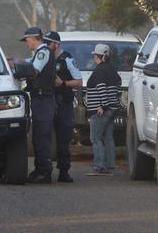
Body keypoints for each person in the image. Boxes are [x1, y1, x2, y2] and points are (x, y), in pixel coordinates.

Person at [10, 27, 57, 183]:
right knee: (38, 136)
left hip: (44, 100)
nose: (27, 43)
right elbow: (27, 62)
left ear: (34, 38)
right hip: (40, 100)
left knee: (42, 136)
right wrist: (11, 61)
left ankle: (44, 172)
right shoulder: (39, 54)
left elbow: (34, 71)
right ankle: (39, 170)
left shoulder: (43, 52)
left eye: (27, 40)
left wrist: (19, 72)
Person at [43, 31, 83, 183]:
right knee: (44, 136)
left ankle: (64, 171)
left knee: (63, 138)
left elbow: (78, 81)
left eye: (48, 43)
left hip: (63, 103)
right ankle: (45, 170)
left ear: (56, 45)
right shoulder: (43, 58)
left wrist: (64, 84)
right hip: (47, 102)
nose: (46, 46)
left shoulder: (66, 59)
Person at [85, 44, 121, 175]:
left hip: (101, 109)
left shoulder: (99, 70)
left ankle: (100, 165)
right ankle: (110, 164)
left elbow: (101, 87)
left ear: (99, 56)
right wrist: (111, 100)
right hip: (113, 107)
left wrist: (103, 105)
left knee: (96, 137)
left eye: (95, 55)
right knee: (108, 136)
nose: (94, 57)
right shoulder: (112, 69)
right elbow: (118, 83)